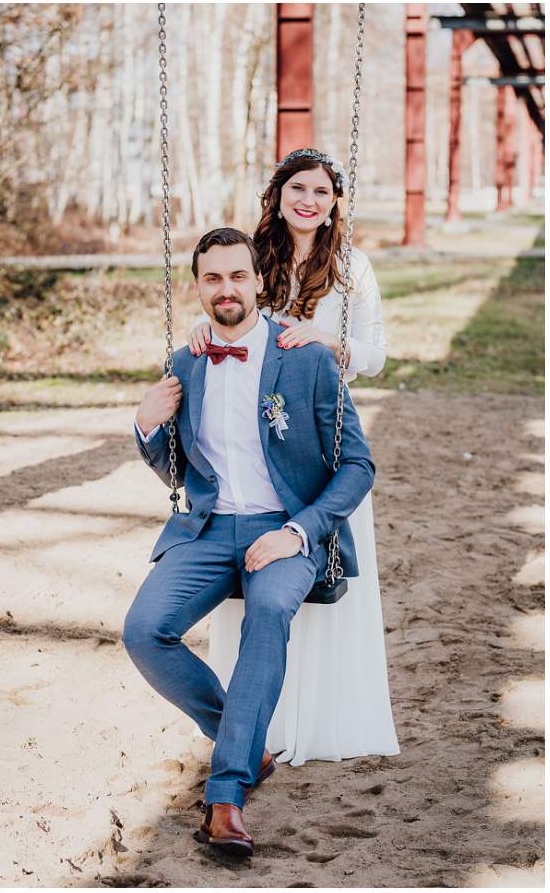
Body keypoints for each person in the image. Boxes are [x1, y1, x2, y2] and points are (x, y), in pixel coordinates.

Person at [123, 227, 375, 856]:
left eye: (238, 276)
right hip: (208, 530)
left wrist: (299, 532)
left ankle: (226, 796)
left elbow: (357, 465)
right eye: (212, 278)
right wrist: (146, 424)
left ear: (259, 280)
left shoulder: (306, 357)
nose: (226, 289)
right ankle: (246, 744)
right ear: (198, 285)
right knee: (143, 631)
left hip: (283, 529)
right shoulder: (184, 361)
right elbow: (180, 471)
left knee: (268, 611)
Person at [187, 148, 399, 766]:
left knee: (322, 563)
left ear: (335, 204)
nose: (310, 200)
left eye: (323, 192)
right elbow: (226, 313)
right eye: (298, 188)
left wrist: (328, 342)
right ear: (277, 195)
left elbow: (377, 353)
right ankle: (257, 719)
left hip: (326, 433)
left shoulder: (352, 266)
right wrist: (203, 332)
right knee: (262, 578)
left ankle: (325, 717)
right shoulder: (251, 257)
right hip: (259, 446)